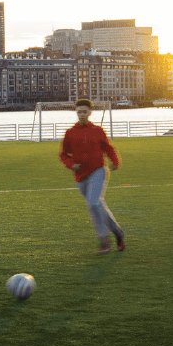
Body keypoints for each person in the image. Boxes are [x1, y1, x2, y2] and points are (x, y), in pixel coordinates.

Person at [59, 98, 125, 254]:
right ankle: (118, 233)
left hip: (99, 171)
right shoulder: (70, 133)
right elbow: (63, 155)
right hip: (80, 177)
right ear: (76, 113)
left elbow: (108, 148)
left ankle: (104, 241)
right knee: (98, 206)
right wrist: (71, 164)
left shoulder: (98, 131)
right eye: (79, 112)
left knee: (93, 203)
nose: (82, 114)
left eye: (84, 112)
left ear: (90, 112)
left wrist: (115, 162)